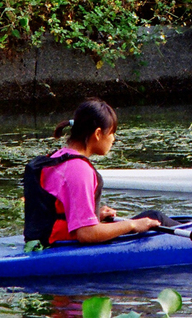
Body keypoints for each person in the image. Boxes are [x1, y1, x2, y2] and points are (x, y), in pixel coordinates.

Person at [23, 98, 167, 246]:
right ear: (98, 133)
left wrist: (94, 216)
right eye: (112, 132)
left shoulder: (56, 157)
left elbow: (54, 212)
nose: (113, 139)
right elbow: (86, 233)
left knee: (153, 217)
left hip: (41, 243)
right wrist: (131, 225)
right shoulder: (79, 169)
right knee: (156, 217)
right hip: (60, 248)